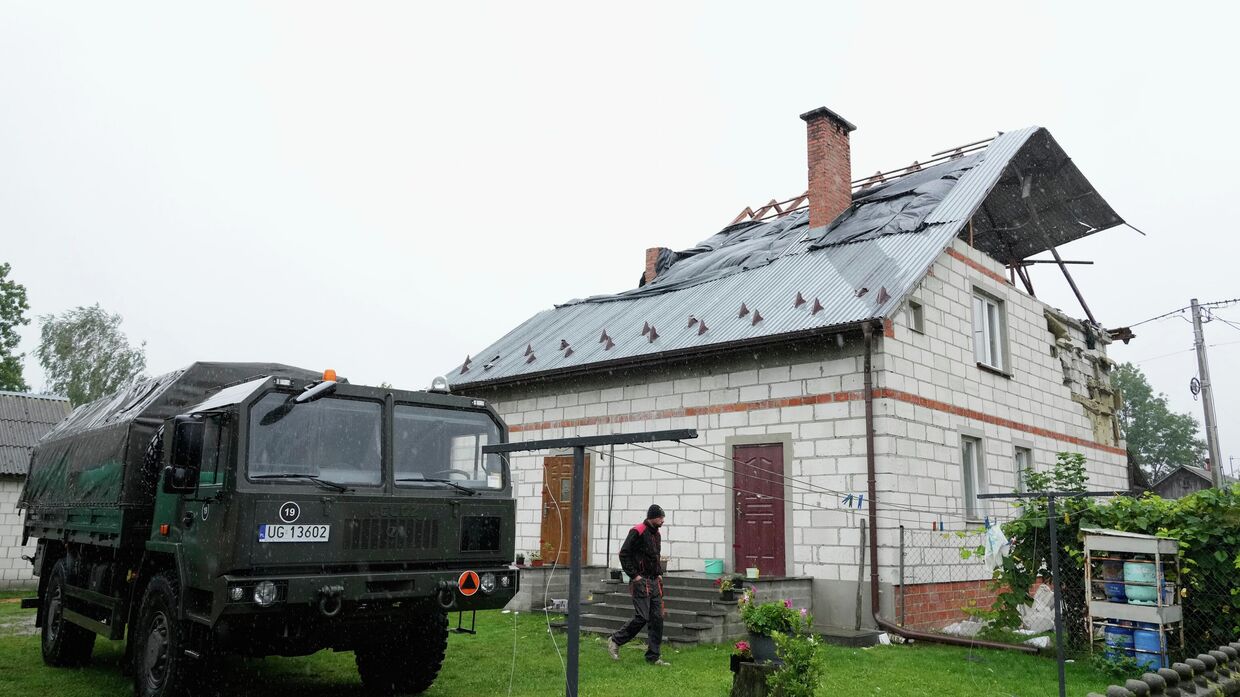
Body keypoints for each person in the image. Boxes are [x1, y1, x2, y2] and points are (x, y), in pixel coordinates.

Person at [607, 504, 669, 666]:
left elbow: (655, 557)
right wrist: (634, 576)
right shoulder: (638, 530)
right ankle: (615, 640)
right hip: (640, 582)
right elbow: (624, 554)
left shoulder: (657, 535)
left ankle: (653, 657)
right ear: (652, 517)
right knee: (642, 617)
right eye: (660, 517)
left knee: (657, 619)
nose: (663, 520)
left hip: (654, 581)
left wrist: (660, 574)